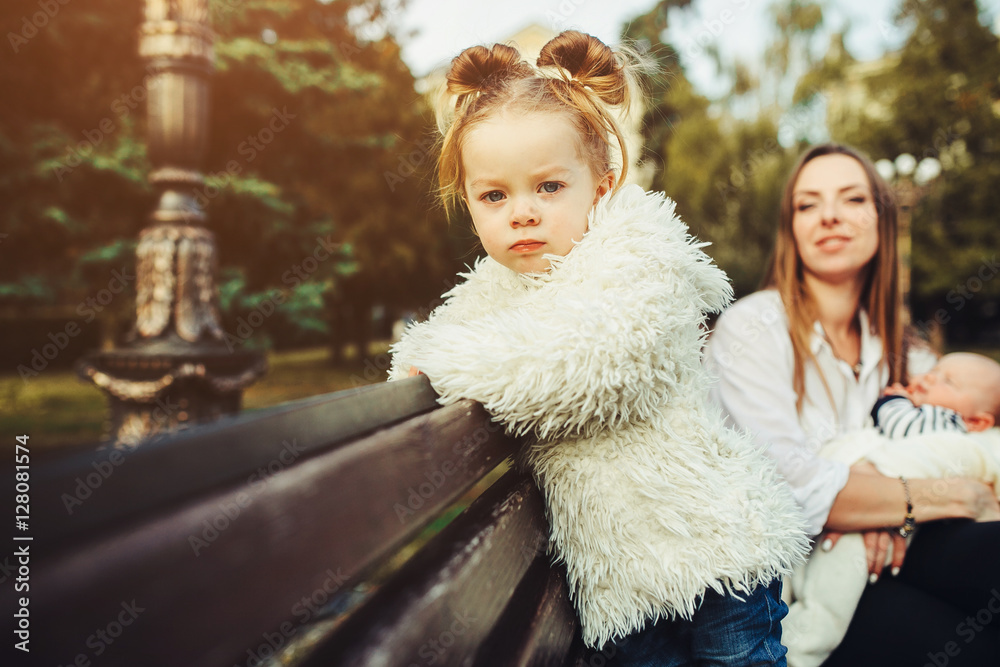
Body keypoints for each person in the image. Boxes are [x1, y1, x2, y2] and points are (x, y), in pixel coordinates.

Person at [389, 31, 809, 666]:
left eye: (549, 187)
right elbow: (425, 358)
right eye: (494, 195)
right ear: (468, 203)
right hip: (623, 586)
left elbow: (591, 369)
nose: (522, 213)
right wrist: (426, 364)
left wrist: (450, 364)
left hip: (718, 555)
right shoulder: (499, 287)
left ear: (603, 184)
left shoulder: (639, 257)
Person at [706, 143, 1000, 666]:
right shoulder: (752, 329)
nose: (830, 216)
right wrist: (950, 496)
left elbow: (970, 432)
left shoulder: (907, 351)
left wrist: (882, 506)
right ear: (790, 228)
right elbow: (787, 488)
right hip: (790, 594)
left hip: (895, 553)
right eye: (808, 204)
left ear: (883, 221)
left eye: (852, 198)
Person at [873, 352, 1000, 438]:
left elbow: (901, 426)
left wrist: (896, 398)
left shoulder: (950, 423)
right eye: (933, 370)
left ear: (975, 422)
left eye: (949, 381)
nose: (929, 377)